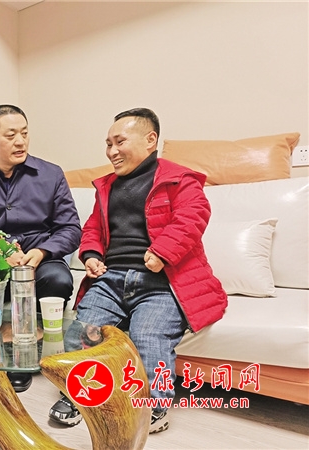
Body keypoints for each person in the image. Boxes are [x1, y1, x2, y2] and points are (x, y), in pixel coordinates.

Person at [48, 108, 227, 433]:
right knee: (81, 332)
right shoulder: (106, 186)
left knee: (148, 336)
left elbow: (193, 216)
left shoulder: (179, 179)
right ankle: (78, 396)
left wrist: (162, 252)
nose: (112, 151)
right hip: (110, 280)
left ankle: (154, 408)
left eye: (120, 142)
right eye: (108, 144)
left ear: (150, 139)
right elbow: (93, 228)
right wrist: (91, 255)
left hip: (161, 283)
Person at [0, 104, 82, 392]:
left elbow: (71, 229)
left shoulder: (51, 175)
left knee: (58, 279)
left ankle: (27, 356)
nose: (20, 141)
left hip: (39, 260)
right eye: (10, 135)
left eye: (24, 133)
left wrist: (43, 252)